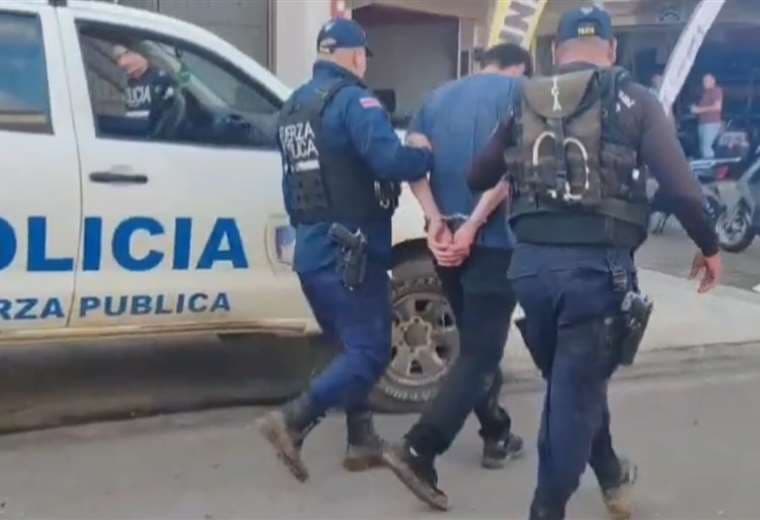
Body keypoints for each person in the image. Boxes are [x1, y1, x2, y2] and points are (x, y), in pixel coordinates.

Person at [467, 7, 723, 520]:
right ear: (612, 50)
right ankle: (546, 508)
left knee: (574, 385)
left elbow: (478, 175)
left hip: (530, 272)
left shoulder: (523, 99)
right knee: (572, 399)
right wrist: (710, 248)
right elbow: (682, 190)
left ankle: (609, 473)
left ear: (556, 50)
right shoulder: (634, 99)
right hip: (596, 275)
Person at [257, 18, 433, 483]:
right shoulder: (355, 101)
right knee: (370, 351)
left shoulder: (294, 106)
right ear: (356, 57)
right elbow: (390, 161)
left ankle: (361, 438)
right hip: (351, 252)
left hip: (312, 250)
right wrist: (423, 152)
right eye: (363, 57)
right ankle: (292, 419)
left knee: (348, 347)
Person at [382, 43, 531, 511]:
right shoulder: (524, 94)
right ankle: (419, 448)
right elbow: (509, 172)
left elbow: (414, 164)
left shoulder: (436, 97)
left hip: (446, 242)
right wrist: (472, 226)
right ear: (520, 67)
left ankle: (496, 433)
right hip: (495, 243)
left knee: (475, 347)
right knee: (482, 352)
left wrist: (435, 221)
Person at [691, 73, 724, 158]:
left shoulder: (716, 90)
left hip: (711, 123)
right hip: (703, 123)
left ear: (713, 81)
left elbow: (717, 107)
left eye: (706, 81)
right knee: (703, 148)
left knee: (706, 148)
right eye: (703, 81)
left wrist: (699, 110)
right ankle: (707, 163)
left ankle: (710, 165)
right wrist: (695, 109)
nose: (704, 83)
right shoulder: (705, 93)